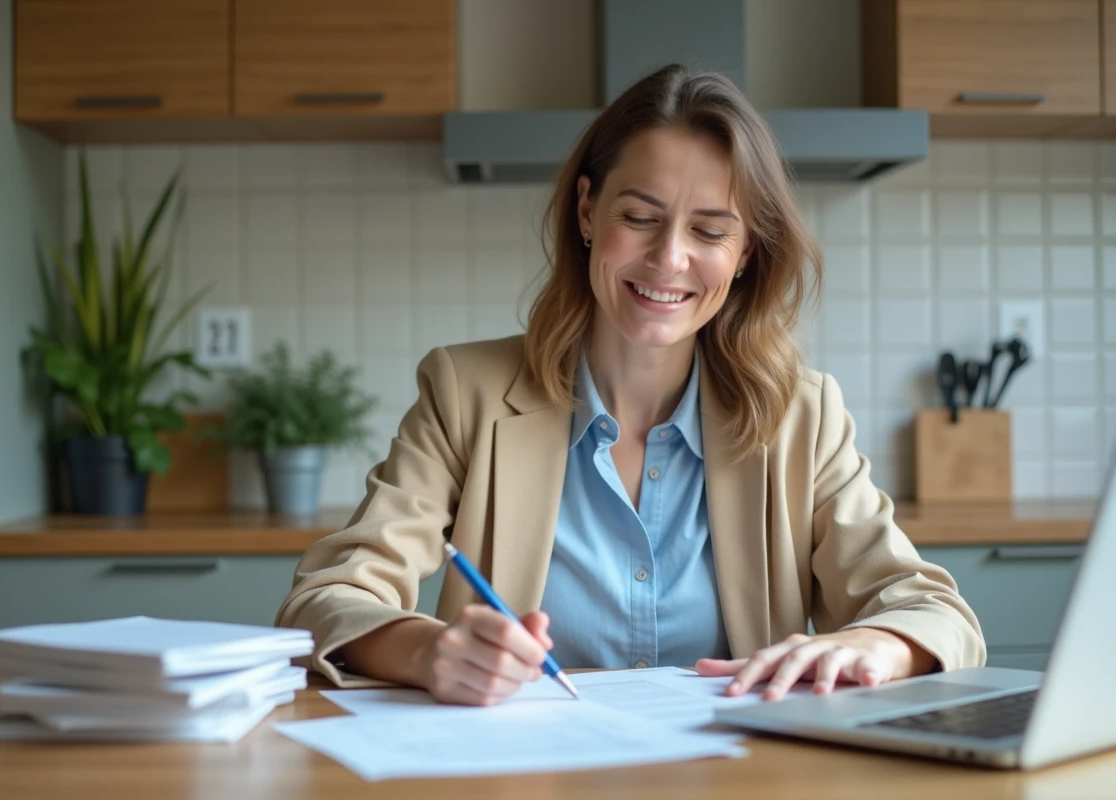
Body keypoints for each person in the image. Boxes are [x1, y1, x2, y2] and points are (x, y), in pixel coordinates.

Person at [276, 64, 985, 707]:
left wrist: (875, 646)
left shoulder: (802, 413)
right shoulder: (466, 393)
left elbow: (936, 614)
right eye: (640, 218)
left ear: (745, 252)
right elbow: (324, 599)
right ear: (588, 210)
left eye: (711, 232)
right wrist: (429, 652)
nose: (669, 258)